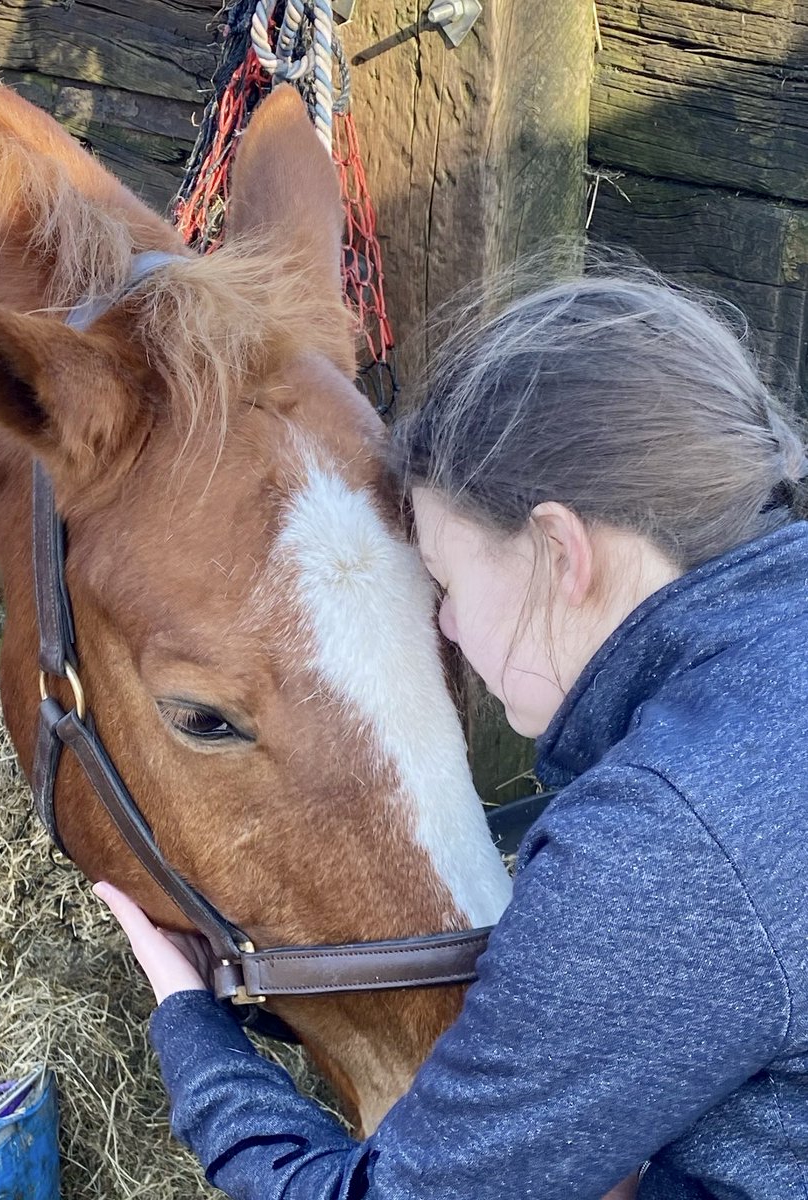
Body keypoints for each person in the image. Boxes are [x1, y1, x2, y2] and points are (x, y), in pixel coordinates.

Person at [94, 265, 808, 1199]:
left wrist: (194, 1032)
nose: (448, 629)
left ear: (561, 553)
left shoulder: (666, 845)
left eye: (445, 580)